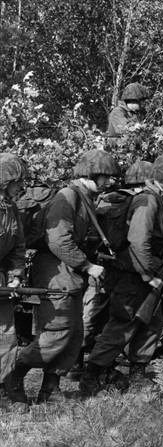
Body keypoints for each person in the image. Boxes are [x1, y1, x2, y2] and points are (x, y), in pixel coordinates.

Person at [6, 150, 120, 405]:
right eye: (106, 177)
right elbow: (57, 240)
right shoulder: (66, 198)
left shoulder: (85, 197)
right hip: (55, 271)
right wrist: (88, 266)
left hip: (69, 272)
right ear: (92, 174)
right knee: (57, 332)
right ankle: (12, 374)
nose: (109, 182)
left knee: (73, 334)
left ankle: (50, 389)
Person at [79, 154, 163, 397]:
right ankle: (91, 376)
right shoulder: (147, 201)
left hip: (144, 273)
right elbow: (138, 241)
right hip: (135, 276)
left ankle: (137, 374)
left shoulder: (161, 199)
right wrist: (147, 275)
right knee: (122, 326)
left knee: (152, 324)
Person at [69, 160, 154, 380]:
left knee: (93, 315)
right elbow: (138, 240)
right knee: (122, 321)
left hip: (104, 265)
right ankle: (96, 370)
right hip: (128, 269)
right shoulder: (142, 201)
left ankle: (77, 362)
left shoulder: (109, 199)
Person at [0, 153, 29, 410]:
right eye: (18, 180)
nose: (22, 186)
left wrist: (16, 276)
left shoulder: (11, 208)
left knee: (6, 337)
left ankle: (2, 390)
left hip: (1, 280)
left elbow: (18, 246)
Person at [106, 82, 151, 149]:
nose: (143, 105)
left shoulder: (133, 114)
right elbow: (125, 128)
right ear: (135, 101)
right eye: (142, 102)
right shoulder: (117, 112)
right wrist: (136, 127)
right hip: (117, 151)